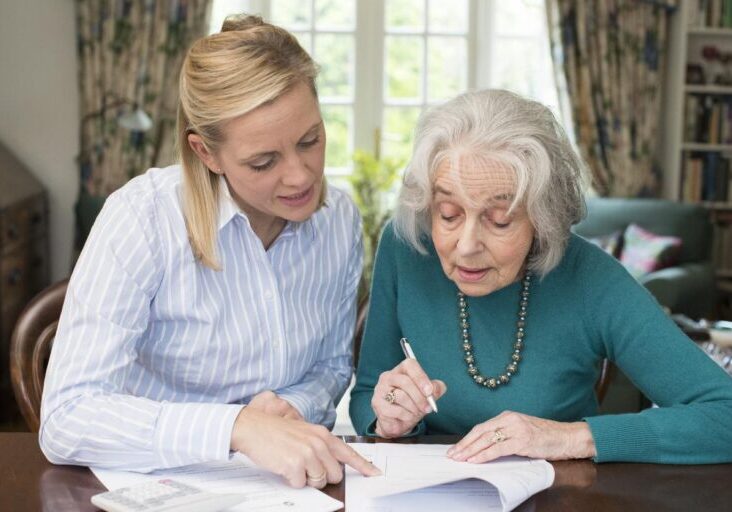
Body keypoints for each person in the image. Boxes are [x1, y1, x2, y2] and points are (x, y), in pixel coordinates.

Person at [40, 14, 380, 487]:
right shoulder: (142, 219)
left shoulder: (338, 220)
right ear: (205, 153)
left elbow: (330, 367)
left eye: (311, 141)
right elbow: (67, 417)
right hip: (151, 484)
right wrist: (237, 427)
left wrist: (290, 411)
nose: (301, 176)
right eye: (263, 161)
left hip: (284, 486)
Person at [350, 89, 732, 464]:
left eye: (499, 221)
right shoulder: (406, 247)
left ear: (543, 219)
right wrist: (388, 418)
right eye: (448, 213)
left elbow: (724, 415)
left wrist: (569, 438)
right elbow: (367, 394)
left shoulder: (590, 277)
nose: (466, 246)